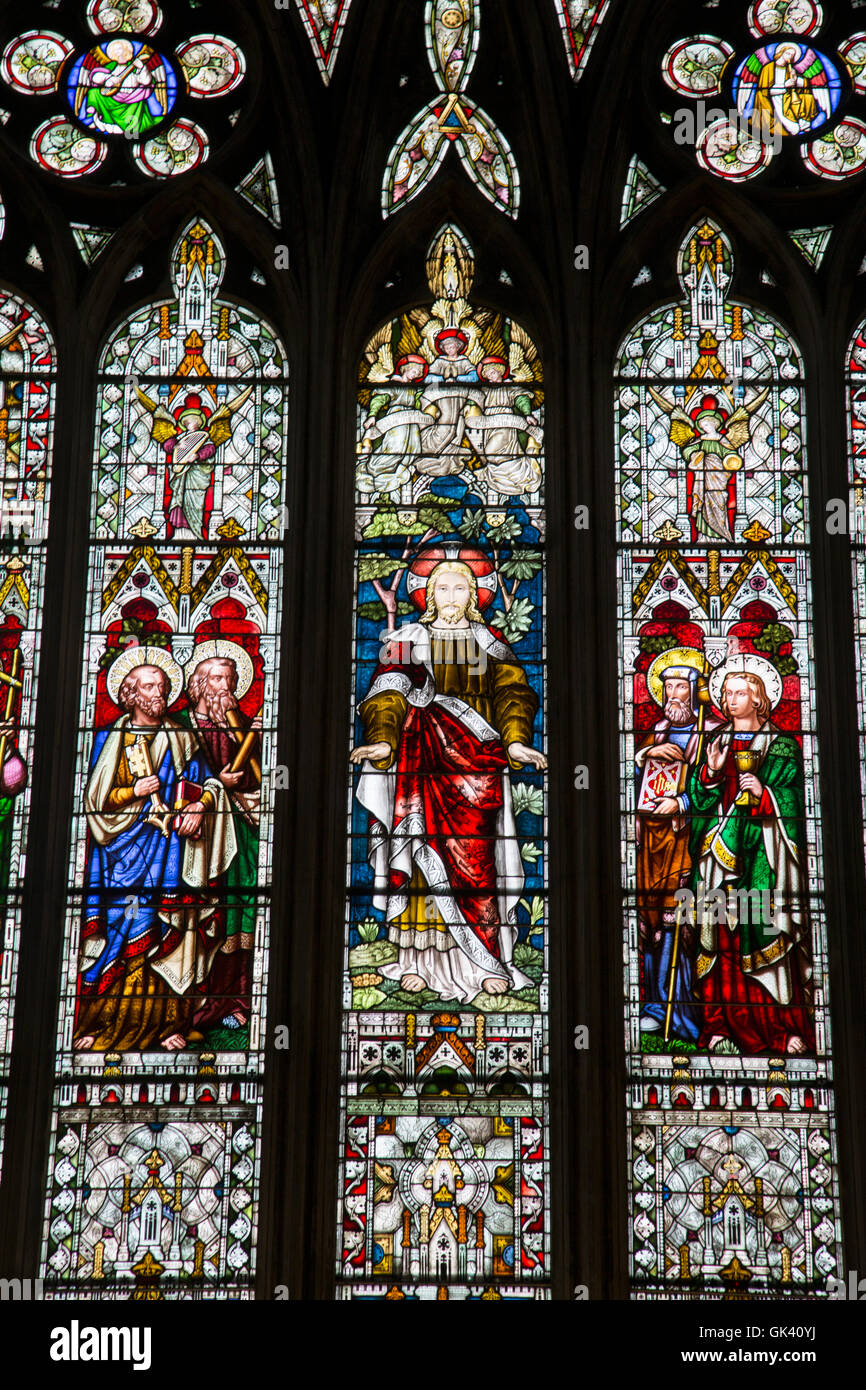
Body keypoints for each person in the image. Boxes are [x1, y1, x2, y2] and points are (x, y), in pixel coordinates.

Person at [351, 559, 546, 1003]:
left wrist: (516, 743)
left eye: (462, 589)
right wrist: (382, 741)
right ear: (429, 595)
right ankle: (418, 959)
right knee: (420, 852)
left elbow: (514, 694)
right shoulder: (407, 641)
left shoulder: (488, 645)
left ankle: (483, 962)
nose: (453, 597)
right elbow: (385, 694)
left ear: (475, 597)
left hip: (478, 764)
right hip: (421, 760)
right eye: (444, 589)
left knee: (478, 861)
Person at [73, 647, 237, 1052]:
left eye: (163, 686)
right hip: (120, 855)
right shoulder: (112, 739)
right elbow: (94, 800)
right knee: (119, 934)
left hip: (168, 854)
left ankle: (167, 1026)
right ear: (130, 693)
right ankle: (100, 1024)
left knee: (170, 930)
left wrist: (201, 805)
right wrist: (134, 791)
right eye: (150, 686)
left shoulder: (180, 736)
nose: (159, 693)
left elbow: (207, 782)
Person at [687, 656, 814, 1055]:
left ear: (759, 699)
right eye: (726, 692)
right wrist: (709, 774)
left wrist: (765, 795)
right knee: (719, 939)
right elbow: (699, 801)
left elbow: (795, 802)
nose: (730, 699)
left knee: (763, 932)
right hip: (718, 859)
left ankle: (781, 1029)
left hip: (764, 860)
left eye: (739, 692)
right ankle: (719, 1023)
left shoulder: (782, 747)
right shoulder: (716, 742)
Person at [635, 650, 719, 1042]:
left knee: (679, 925)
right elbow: (643, 773)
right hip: (654, 841)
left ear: (696, 690)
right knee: (653, 924)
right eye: (667, 687)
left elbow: (714, 790)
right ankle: (654, 1004)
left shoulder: (712, 731)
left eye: (680, 687)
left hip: (690, 840)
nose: (673, 694)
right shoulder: (661, 729)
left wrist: (682, 803)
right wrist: (645, 753)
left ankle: (680, 1009)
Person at [182, 645, 261, 1033]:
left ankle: (237, 999)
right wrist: (216, 787)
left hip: (241, 833)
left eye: (230, 680)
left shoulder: (239, 723)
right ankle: (201, 1001)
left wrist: (255, 740)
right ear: (197, 684)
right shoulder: (178, 726)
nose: (225, 688)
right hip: (197, 841)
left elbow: (259, 776)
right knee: (206, 913)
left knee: (243, 908)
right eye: (216, 678)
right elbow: (174, 781)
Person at [464, 355, 543, 498]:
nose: (490, 377)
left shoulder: (509, 387)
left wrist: (527, 414)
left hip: (506, 423)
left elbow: (521, 398)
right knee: (493, 455)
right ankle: (506, 472)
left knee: (491, 451)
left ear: (500, 372)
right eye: (488, 375)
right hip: (489, 424)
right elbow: (474, 401)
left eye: (492, 373)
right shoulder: (485, 390)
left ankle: (512, 470)